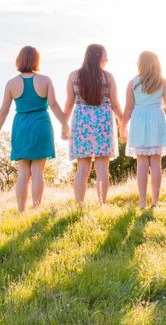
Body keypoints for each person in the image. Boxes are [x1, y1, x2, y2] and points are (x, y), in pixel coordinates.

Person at [0, 46, 69, 212]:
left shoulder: (11, 83)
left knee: (22, 171)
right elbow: (54, 105)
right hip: (41, 123)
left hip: (21, 125)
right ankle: (36, 208)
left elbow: (3, 110)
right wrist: (64, 123)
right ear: (36, 60)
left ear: (19, 60)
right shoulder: (45, 80)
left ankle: (21, 210)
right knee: (38, 171)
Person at [64, 44, 123, 205]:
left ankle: (79, 205)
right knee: (102, 168)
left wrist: (64, 123)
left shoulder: (74, 76)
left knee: (82, 168)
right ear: (98, 57)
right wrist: (124, 123)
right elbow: (115, 104)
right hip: (103, 121)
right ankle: (102, 204)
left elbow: (69, 103)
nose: (107, 59)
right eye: (105, 55)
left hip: (81, 121)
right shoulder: (108, 77)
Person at [120, 51, 166, 209]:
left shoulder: (133, 82)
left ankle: (142, 203)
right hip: (156, 119)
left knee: (142, 164)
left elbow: (128, 109)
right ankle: (155, 201)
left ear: (140, 64)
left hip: (139, 121)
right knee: (156, 163)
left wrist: (123, 128)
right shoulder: (162, 81)